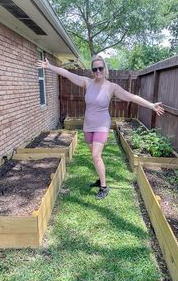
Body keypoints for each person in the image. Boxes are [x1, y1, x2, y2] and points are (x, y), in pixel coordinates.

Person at [37, 55, 164, 199]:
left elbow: (131, 97)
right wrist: (49, 67)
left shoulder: (112, 87)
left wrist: (151, 105)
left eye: (100, 68)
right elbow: (67, 74)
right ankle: (100, 178)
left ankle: (104, 187)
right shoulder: (87, 82)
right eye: (95, 69)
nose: (98, 71)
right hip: (88, 125)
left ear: (105, 69)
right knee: (95, 156)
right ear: (92, 70)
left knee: (96, 155)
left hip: (102, 125)